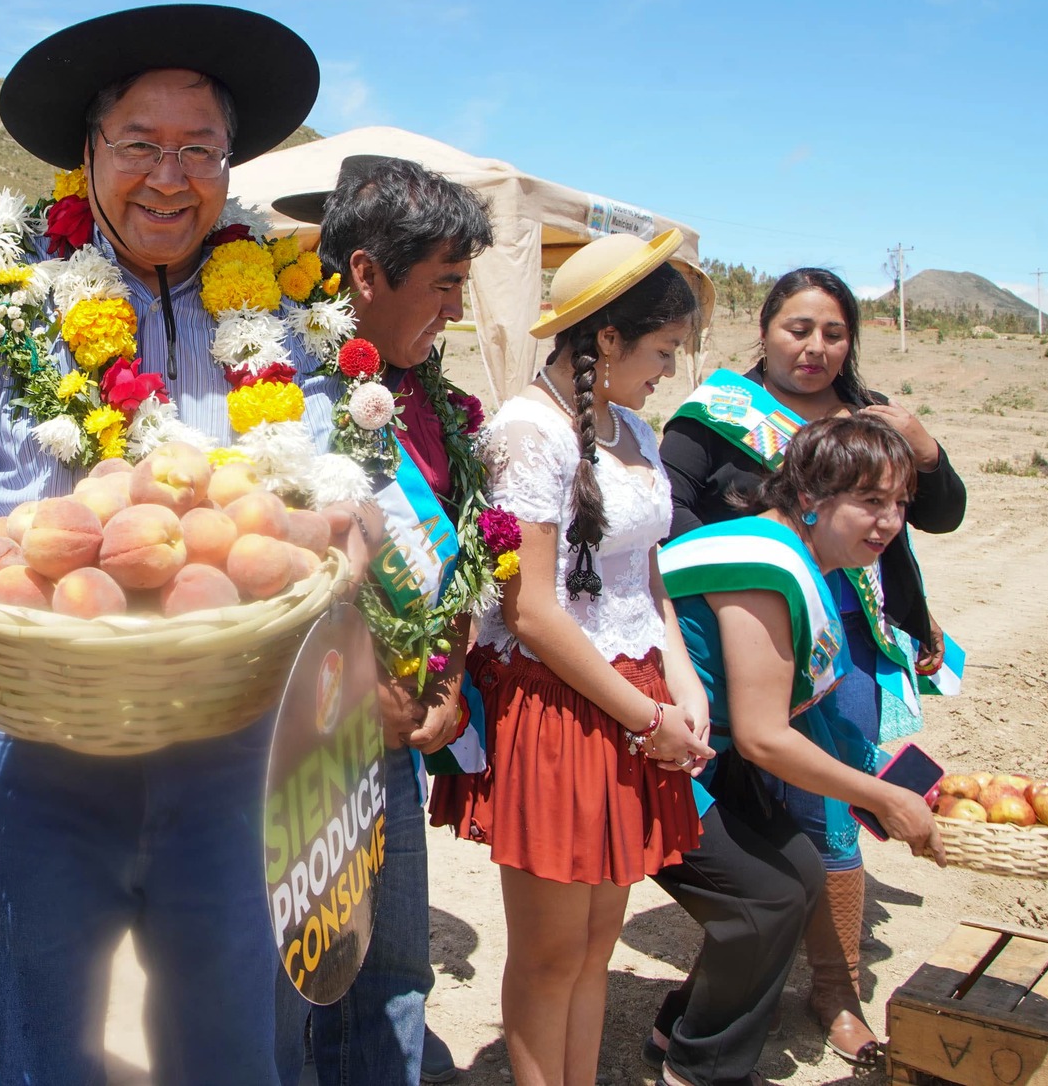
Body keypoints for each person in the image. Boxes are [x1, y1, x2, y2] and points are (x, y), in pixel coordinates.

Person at [0, 4, 364, 1085]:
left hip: (237, 728)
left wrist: (349, 542)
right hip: (41, 734)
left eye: (200, 150)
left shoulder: (277, 310)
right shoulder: (2, 296)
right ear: (86, 155)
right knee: (35, 1037)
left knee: (234, 1036)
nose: (169, 177)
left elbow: (331, 493)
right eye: (139, 145)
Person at [428, 231, 713, 1086]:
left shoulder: (632, 428)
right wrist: (650, 718)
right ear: (609, 340)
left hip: (636, 697)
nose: (668, 369)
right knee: (551, 954)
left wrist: (683, 683)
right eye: (662, 350)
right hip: (563, 704)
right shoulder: (529, 431)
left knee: (596, 945)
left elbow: (647, 578)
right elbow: (534, 612)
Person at [660, 266, 965, 1064]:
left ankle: (712, 1020)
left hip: (731, 719)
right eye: (873, 506)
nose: (891, 525)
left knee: (795, 866)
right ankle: (706, 1054)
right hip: (671, 742)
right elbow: (762, 735)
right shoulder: (766, 564)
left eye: (899, 506)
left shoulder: (814, 556)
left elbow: (940, 513)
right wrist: (884, 802)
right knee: (775, 883)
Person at [273, 156, 494, 1084]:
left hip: (398, 740)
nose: (453, 309)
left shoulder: (432, 404)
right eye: (442, 285)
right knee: (297, 986)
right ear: (366, 274)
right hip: (304, 749)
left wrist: (447, 676)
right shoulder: (283, 397)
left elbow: (466, 563)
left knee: (394, 970)